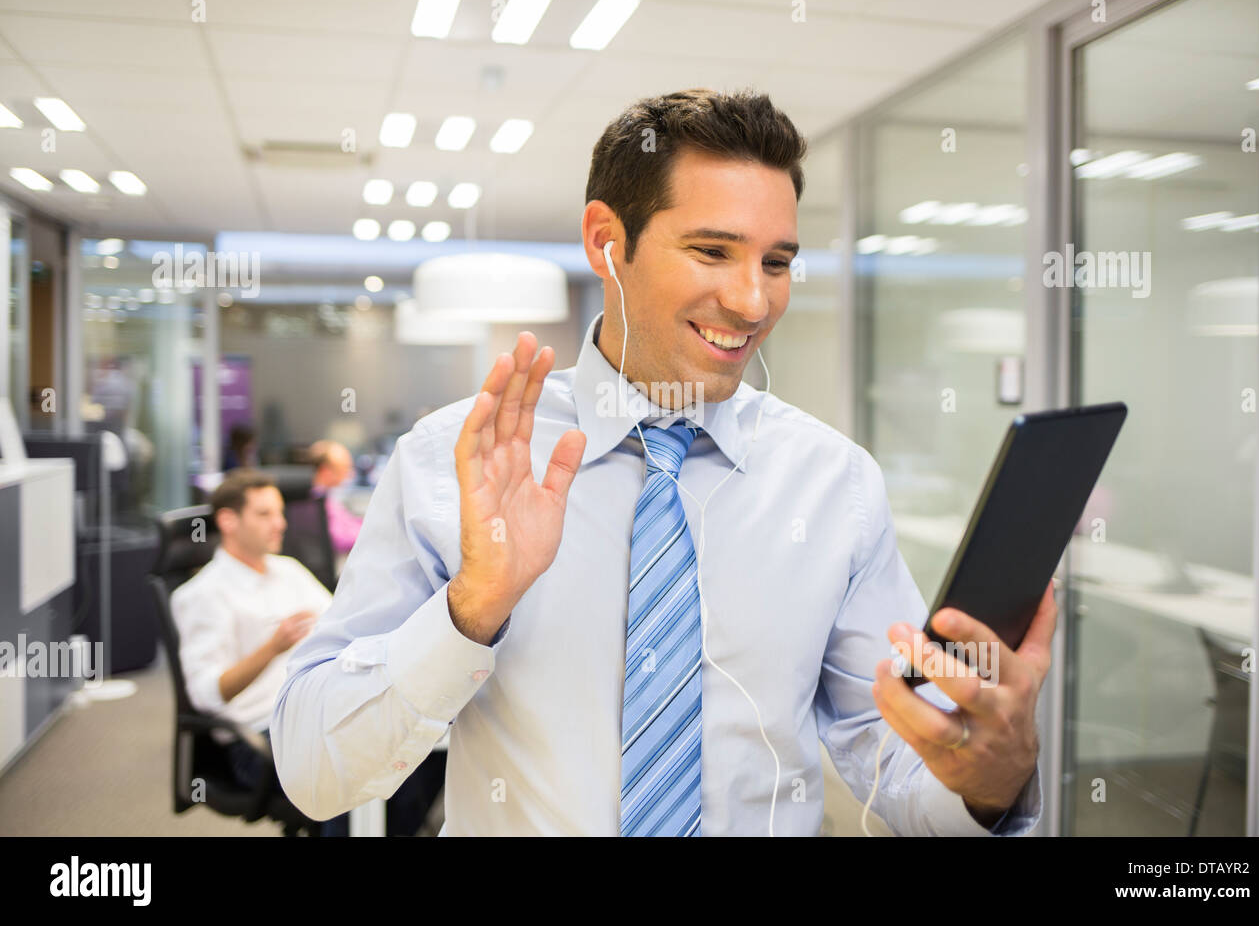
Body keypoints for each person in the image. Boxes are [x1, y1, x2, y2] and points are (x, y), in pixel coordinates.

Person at [273, 88, 1053, 836]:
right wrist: (472, 607)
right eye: (713, 251)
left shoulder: (834, 483)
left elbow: (892, 763)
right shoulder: (455, 462)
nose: (752, 302)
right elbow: (315, 773)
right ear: (606, 241)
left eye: (777, 263)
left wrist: (989, 778)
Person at [172, 469, 441, 835]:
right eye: (265, 514)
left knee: (425, 745)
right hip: (259, 737)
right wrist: (272, 648)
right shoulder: (203, 594)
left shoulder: (288, 571)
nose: (280, 524)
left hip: (318, 707)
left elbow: (345, 628)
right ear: (228, 521)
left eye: (280, 513)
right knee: (359, 768)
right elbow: (205, 696)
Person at [307, 439, 365, 554]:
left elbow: (349, 523)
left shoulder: (327, 498)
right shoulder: (315, 503)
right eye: (345, 468)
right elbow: (339, 539)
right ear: (325, 470)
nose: (350, 474)